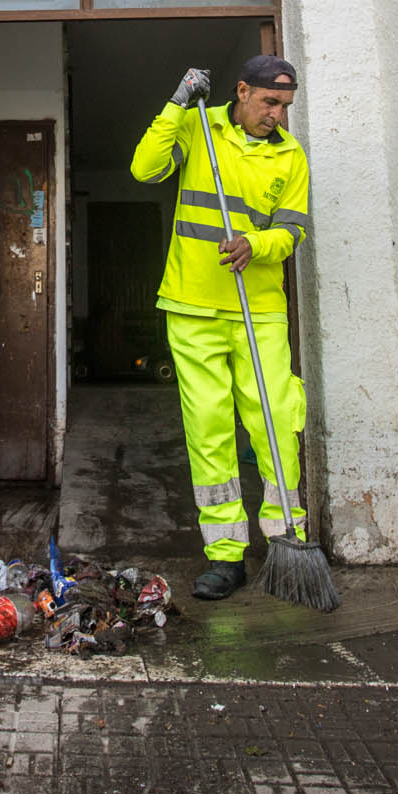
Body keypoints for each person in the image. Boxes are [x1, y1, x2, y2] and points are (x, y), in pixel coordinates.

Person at [129, 54, 311, 600]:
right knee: (209, 429)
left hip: (258, 306)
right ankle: (225, 555)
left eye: (284, 106)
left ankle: (287, 539)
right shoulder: (197, 125)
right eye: (268, 103)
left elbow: (294, 231)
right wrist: (177, 101)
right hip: (192, 303)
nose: (276, 115)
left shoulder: (291, 156)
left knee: (277, 419)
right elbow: (144, 168)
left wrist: (257, 244)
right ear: (241, 92)